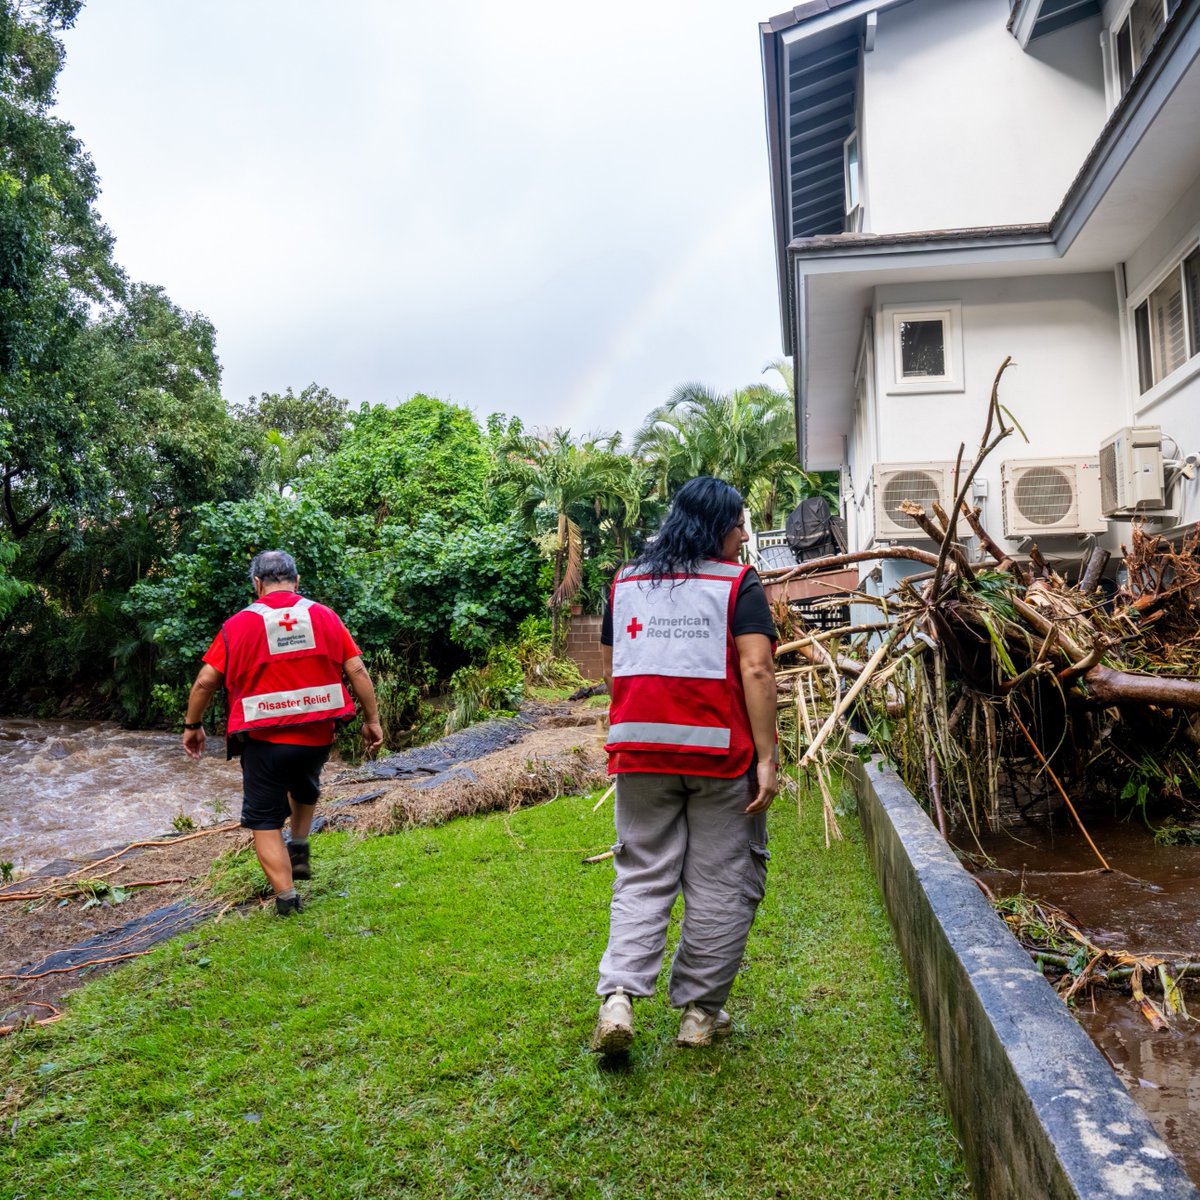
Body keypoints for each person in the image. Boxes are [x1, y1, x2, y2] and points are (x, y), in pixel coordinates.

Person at [592, 476, 778, 1052]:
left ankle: (618, 999)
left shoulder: (625, 581)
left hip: (639, 754)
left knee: (641, 874)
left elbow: (611, 665)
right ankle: (699, 1014)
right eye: (740, 523)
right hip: (719, 759)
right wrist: (768, 755)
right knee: (722, 880)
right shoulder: (737, 583)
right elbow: (757, 670)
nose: (744, 535)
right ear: (719, 527)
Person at [182, 549, 384, 915]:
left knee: (264, 819)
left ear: (257, 584)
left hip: (264, 740)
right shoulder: (324, 616)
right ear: (297, 580)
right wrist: (372, 720)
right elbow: (357, 671)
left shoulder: (238, 624)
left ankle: (287, 898)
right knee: (304, 784)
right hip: (317, 738)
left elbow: (204, 682)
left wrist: (193, 725)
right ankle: (301, 843)